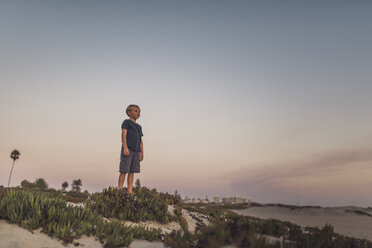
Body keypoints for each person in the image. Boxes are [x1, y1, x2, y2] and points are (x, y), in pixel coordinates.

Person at [117, 104, 144, 195]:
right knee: (124, 170)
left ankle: (129, 190)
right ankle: (120, 189)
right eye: (136, 111)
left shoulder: (139, 127)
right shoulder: (126, 122)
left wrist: (142, 152)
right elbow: (124, 134)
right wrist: (125, 147)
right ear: (129, 112)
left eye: (139, 112)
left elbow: (141, 140)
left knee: (132, 171)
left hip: (136, 152)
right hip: (128, 150)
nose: (138, 113)